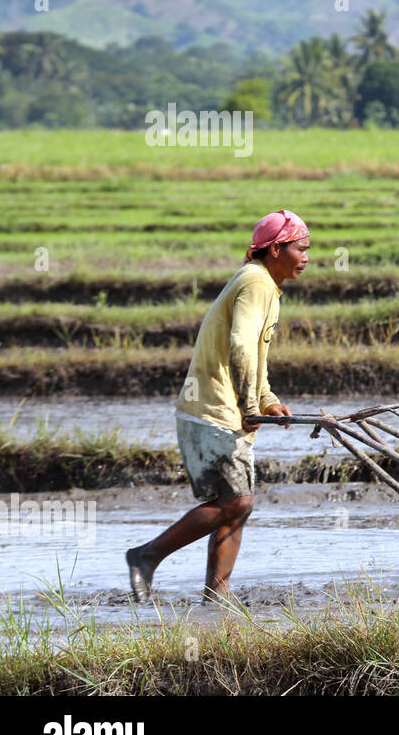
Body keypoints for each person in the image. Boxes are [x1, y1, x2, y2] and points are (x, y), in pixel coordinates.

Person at [125, 211, 310, 603]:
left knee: (235, 503)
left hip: (218, 408)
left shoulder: (264, 285)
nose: (307, 256)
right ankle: (146, 556)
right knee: (237, 501)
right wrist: (248, 404)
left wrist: (267, 400)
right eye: (301, 248)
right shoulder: (256, 283)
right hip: (214, 408)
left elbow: (254, 355)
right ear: (276, 248)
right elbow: (241, 346)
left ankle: (217, 592)